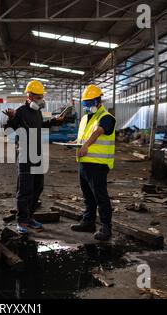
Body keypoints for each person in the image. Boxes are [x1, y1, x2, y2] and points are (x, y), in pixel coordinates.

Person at [70, 84, 116, 241]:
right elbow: (84, 135)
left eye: (90, 103)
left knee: (100, 196)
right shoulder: (84, 118)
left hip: (98, 164)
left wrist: (86, 145)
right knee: (87, 195)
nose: (87, 106)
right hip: (84, 162)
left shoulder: (107, 118)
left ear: (98, 101)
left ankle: (106, 227)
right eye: (85, 104)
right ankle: (89, 222)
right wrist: (76, 142)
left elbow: (98, 132)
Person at [3, 80, 46, 234]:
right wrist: (11, 119)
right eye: (38, 96)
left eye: (42, 96)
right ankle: (22, 221)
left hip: (37, 154)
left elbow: (40, 127)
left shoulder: (38, 112)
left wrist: (55, 121)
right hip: (24, 155)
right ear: (30, 97)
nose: (41, 99)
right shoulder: (20, 111)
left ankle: (30, 217)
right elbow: (8, 131)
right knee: (25, 189)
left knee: (38, 187)